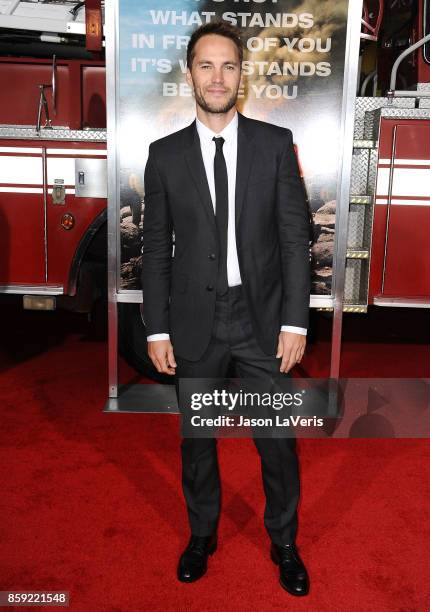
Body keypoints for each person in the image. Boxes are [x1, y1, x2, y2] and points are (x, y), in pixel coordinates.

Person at [141, 21, 311, 596]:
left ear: (242, 75)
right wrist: (156, 327)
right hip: (195, 322)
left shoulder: (274, 144)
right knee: (197, 440)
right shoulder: (163, 156)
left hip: (261, 319)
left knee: (277, 442)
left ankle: (284, 542)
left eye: (229, 66)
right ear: (189, 73)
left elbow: (294, 240)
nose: (218, 77)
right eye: (206, 65)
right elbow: (156, 250)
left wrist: (295, 321)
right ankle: (201, 535)